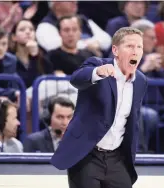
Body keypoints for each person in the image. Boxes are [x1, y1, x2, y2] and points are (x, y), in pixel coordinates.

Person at [51, 27, 147, 188]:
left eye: (139, 47)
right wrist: (97, 72)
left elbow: (132, 120)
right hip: (87, 154)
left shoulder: (141, 81)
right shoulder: (97, 64)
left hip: (117, 158)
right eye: (130, 46)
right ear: (115, 50)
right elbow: (76, 78)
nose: (135, 51)